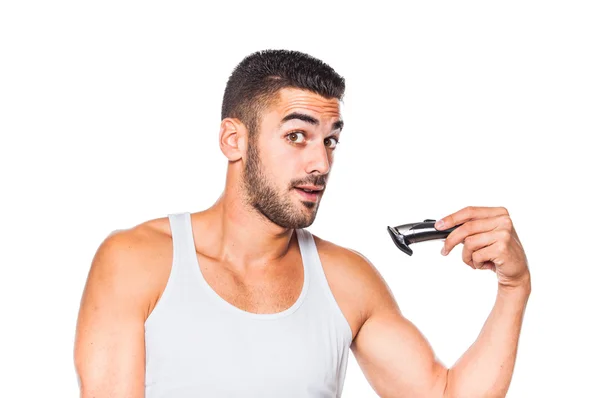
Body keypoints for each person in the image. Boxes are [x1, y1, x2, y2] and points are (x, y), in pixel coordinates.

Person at [74, 49, 531, 397]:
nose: (321, 162)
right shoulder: (137, 261)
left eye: (330, 141)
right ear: (234, 140)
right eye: (297, 136)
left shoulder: (346, 280)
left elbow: (445, 394)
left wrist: (514, 289)